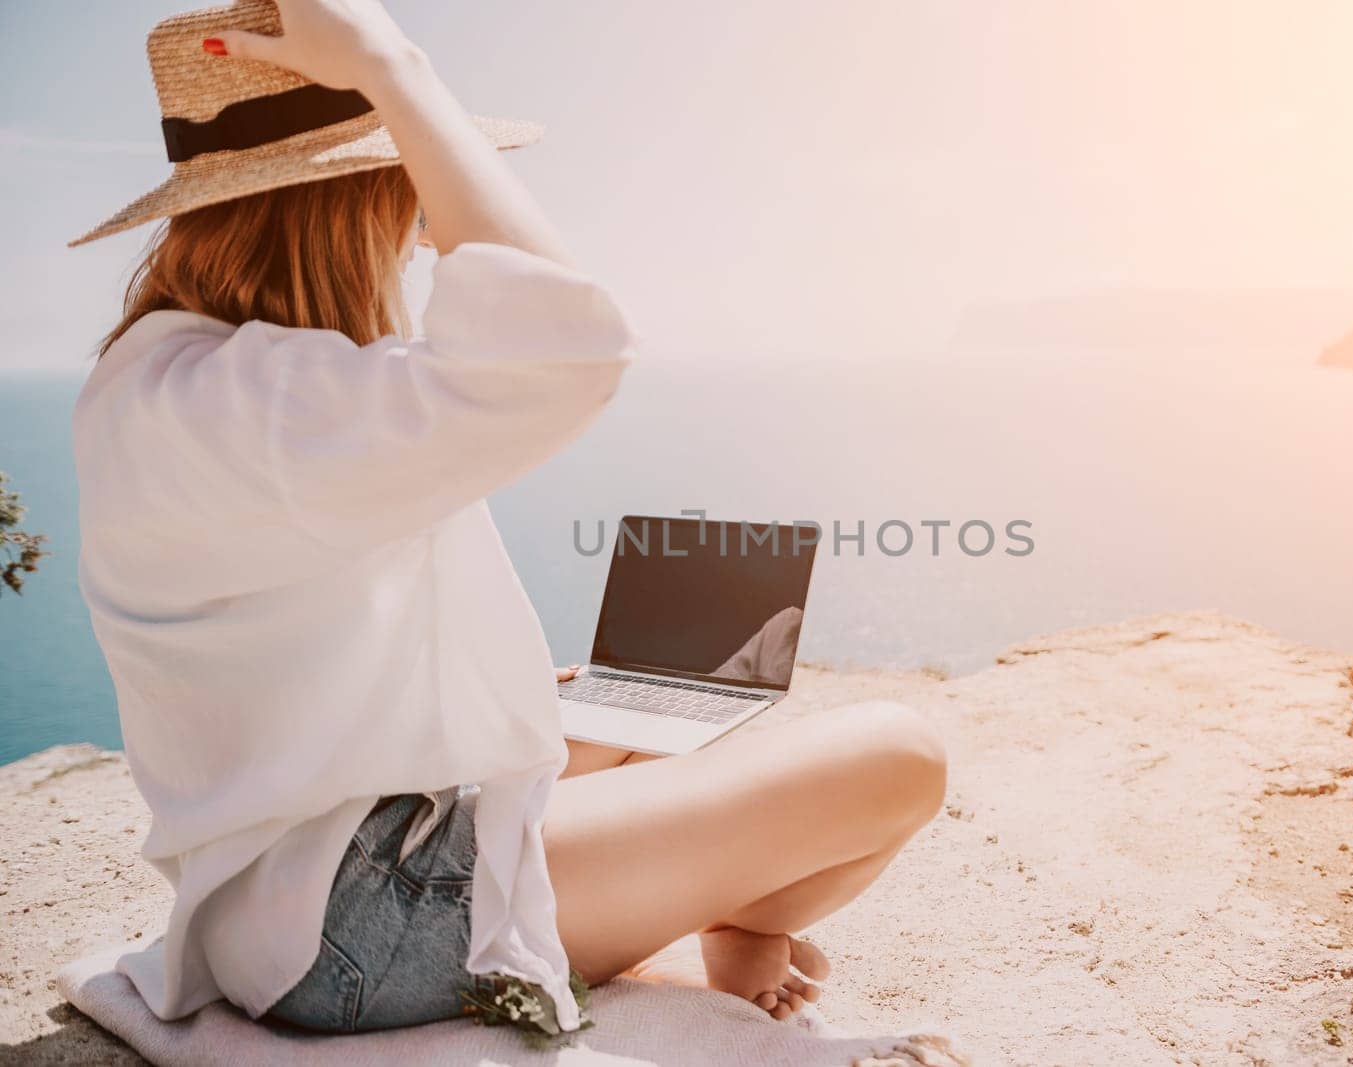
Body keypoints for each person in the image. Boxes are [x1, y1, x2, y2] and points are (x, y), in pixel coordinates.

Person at [71, 0, 946, 1037]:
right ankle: (721, 909)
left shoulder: (181, 378)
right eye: (405, 196)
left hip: (315, 875)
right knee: (901, 756)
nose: (419, 233)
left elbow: (289, 641)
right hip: (367, 920)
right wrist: (396, 74)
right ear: (351, 203)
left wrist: (511, 700)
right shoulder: (248, 404)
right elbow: (564, 343)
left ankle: (685, 882)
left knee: (672, 690)